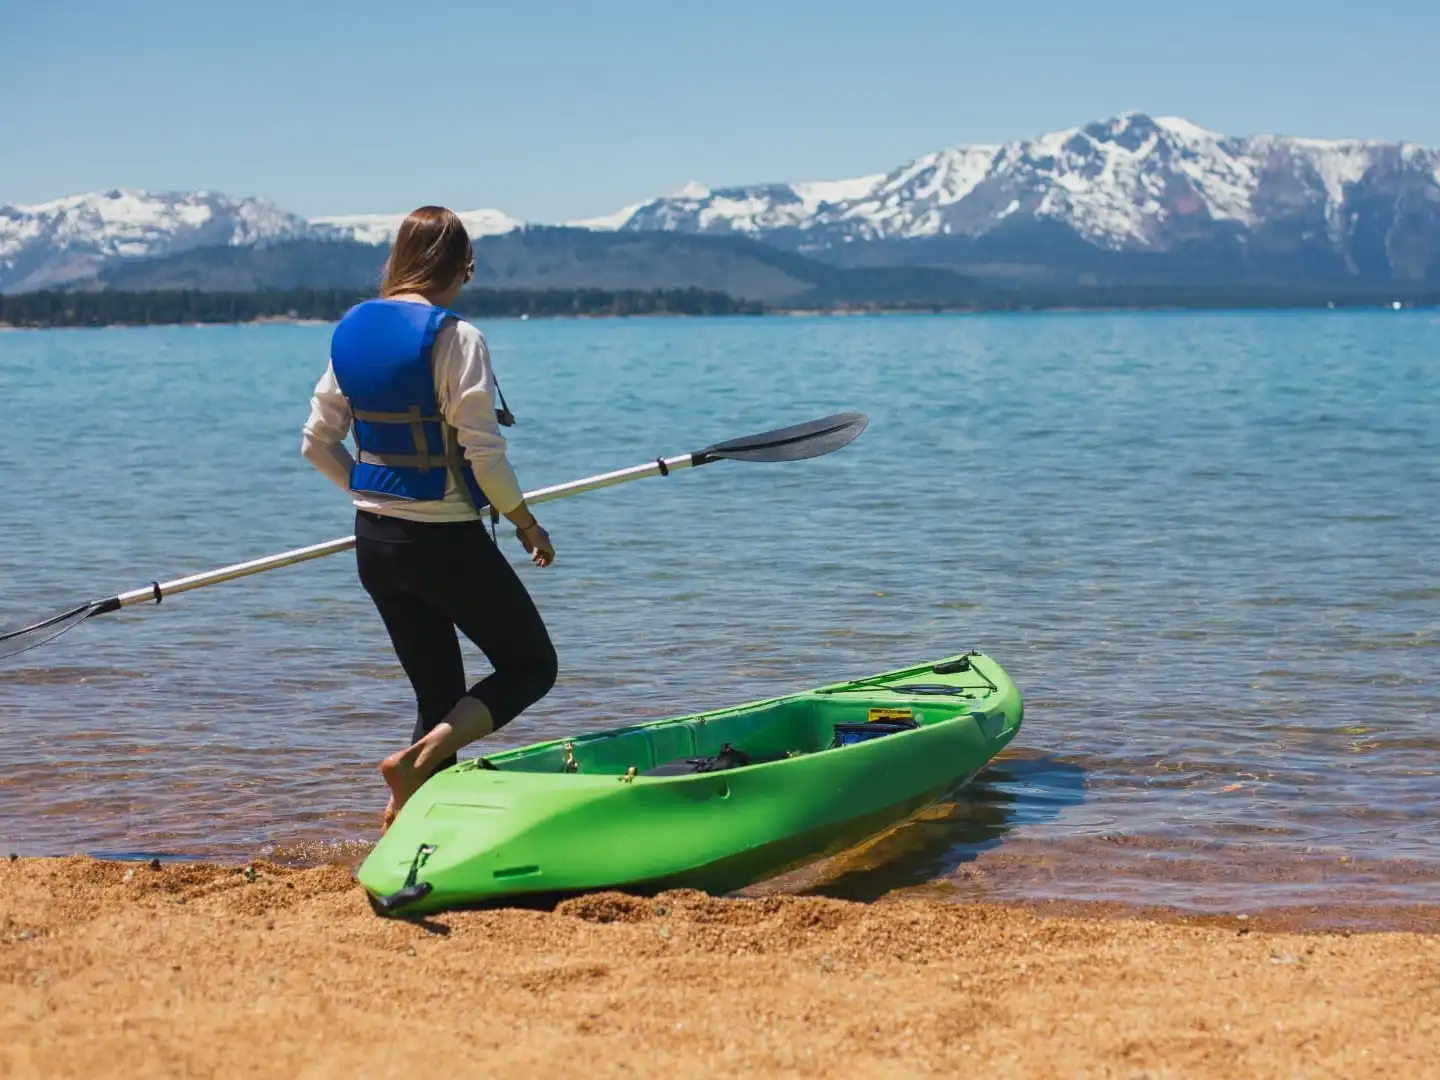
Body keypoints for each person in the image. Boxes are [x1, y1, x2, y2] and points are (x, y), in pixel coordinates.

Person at [300, 205, 557, 831]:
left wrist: (371, 494)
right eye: (467, 269)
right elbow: (485, 457)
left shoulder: (353, 331)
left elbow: (315, 441)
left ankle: (408, 827)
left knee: (440, 697)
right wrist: (525, 522)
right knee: (531, 666)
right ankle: (419, 760)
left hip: (375, 545)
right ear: (456, 267)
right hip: (444, 543)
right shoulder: (456, 337)